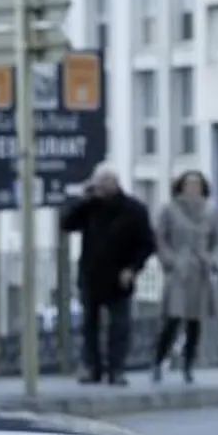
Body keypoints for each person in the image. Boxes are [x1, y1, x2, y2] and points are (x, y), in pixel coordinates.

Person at [59, 165, 157, 386]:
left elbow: (147, 244)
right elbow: (66, 223)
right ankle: (93, 368)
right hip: (91, 275)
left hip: (120, 276)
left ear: (115, 184)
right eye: (98, 185)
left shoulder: (134, 210)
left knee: (119, 325)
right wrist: (82, 198)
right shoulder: (89, 208)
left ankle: (117, 369)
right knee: (89, 325)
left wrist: (133, 268)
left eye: (105, 184)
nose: (101, 189)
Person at [152, 169, 218, 384]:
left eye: (198, 185)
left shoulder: (211, 212)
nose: (193, 188)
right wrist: (170, 261)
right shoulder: (169, 209)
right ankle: (158, 360)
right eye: (189, 184)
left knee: (195, 323)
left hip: (200, 273)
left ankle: (188, 364)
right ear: (181, 186)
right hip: (179, 271)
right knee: (172, 319)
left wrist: (212, 260)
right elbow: (160, 238)